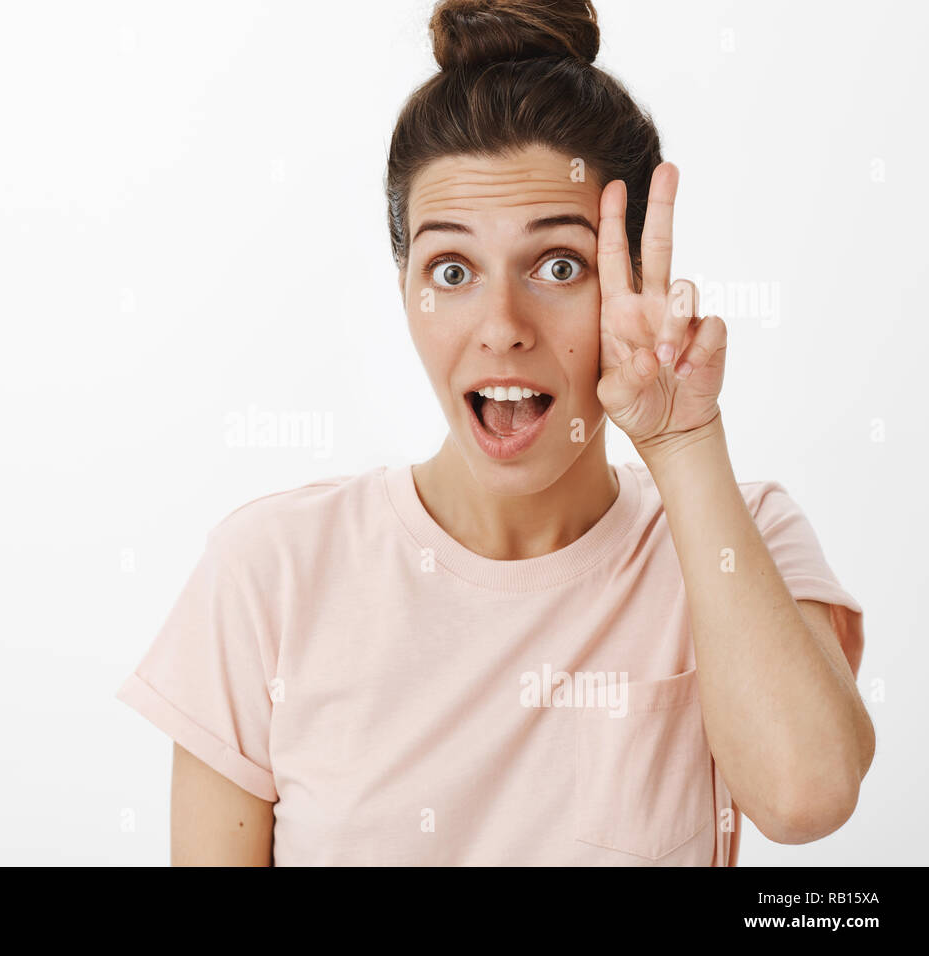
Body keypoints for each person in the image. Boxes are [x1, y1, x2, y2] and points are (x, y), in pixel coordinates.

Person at [115, 0, 873, 866]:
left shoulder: (742, 541)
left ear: (633, 284)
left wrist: (683, 440)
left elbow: (807, 799)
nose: (502, 324)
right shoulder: (271, 570)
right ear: (405, 288)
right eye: (452, 269)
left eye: (559, 266)